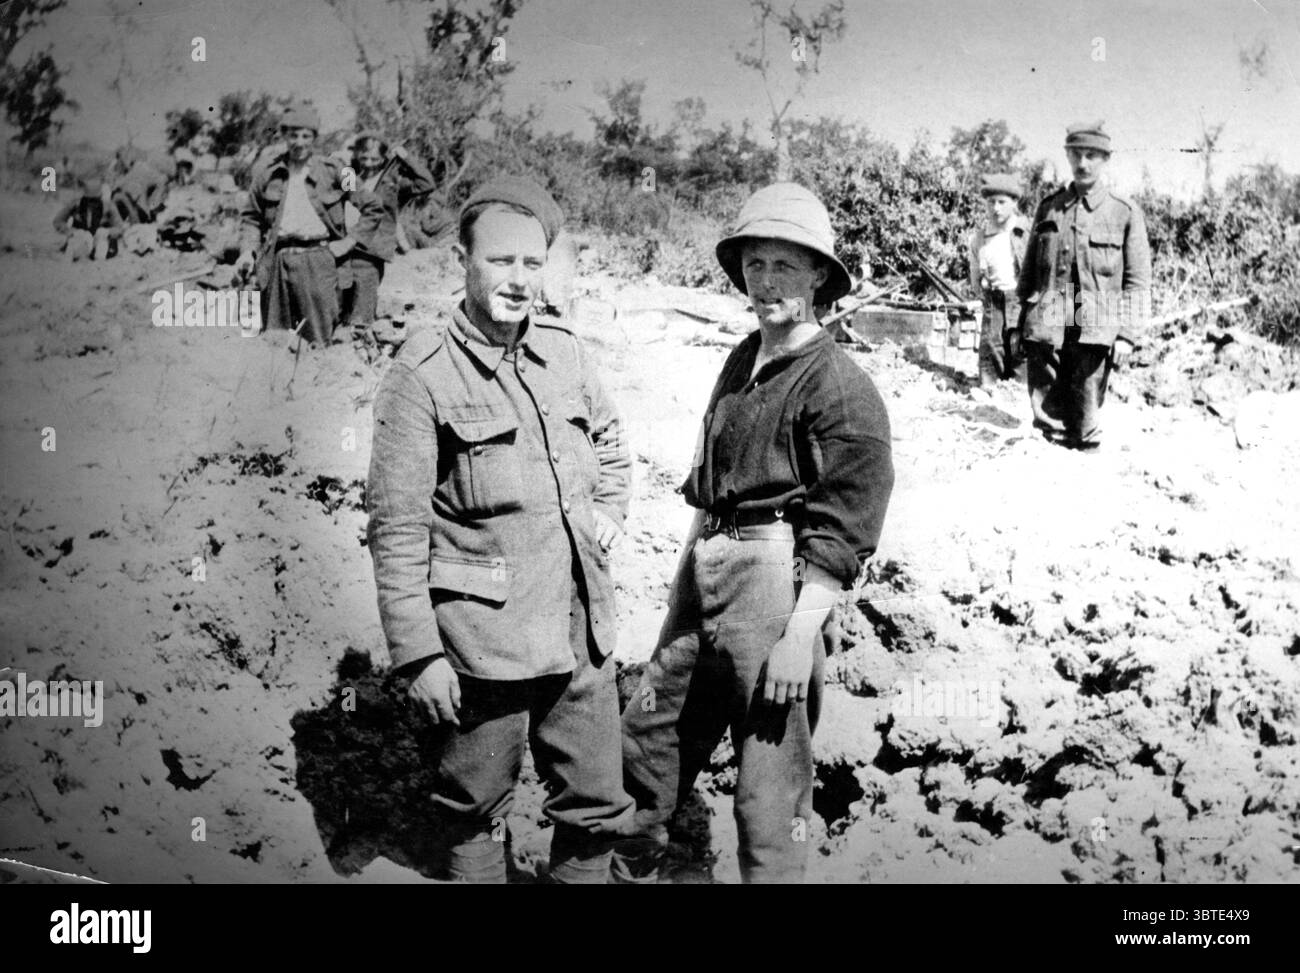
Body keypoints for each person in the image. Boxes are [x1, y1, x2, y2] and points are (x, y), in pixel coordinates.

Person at [614, 183, 895, 883]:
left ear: (820, 277)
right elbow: (712, 474)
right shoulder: (743, 357)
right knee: (649, 738)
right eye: (754, 264)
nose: (766, 283)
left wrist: (800, 638)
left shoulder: (841, 387)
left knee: (768, 788)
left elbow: (841, 528)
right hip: (703, 560)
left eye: (785, 266)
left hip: (774, 585)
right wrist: (689, 577)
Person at [366, 176, 635, 883]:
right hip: (481, 645)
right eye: (501, 261)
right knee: (471, 806)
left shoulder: (566, 352)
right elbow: (395, 529)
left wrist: (610, 512)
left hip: (580, 629)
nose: (519, 280)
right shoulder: (421, 374)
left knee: (597, 806)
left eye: (533, 263)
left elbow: (610, 441)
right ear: (463, 259)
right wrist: (419, 654)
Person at [1010, 122, 1152, 450]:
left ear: (1105, 159)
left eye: (1091, 155)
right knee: (1046, 391)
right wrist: (1020, 319)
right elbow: (1029, 270)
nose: (1083, 163)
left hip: (1096, 317)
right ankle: (1049, 445)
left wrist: (1128, 333)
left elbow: (1137, 280)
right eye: (1076, 154)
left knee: (1087, 395)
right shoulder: (1050, 207)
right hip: (1051, 311)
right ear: (1067, 156)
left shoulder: (1124, 212)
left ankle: (1085, 449)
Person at [236, 102, 382, 345]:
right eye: (293, 135)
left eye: (306, 136)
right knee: (275, 339)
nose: (299, 142)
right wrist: (246, 253)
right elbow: (251, 218)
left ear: (314, 138)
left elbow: (373, 206)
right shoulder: (267, 174)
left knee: (318, 337)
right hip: (278, 262)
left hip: (319, 261)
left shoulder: (336, 170)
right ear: (284, 136)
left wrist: (348, 242)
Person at [342, 132, 436, 331]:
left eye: (374, 159)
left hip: (372, 248)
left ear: (383, 158)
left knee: (363, 300)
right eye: (364, 158)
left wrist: (406, 157)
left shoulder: (393, 183)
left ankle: (361, 337)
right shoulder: (351, 177)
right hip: (347, 243)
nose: (369, 163)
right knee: (342, 297)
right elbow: (341, 199)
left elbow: (426, 183)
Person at [968, 173, 1030, 387]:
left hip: (1020, 297)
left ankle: (1020, 388)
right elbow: (975, 270)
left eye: (1002, 202)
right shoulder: (980, 237)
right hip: (993, 298)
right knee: (991, 342)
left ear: (1014, 203)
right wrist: (979, 288)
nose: (996, 208)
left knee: (1019, 343)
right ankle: (990, 385)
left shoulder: (1025, 232)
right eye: (991, 202)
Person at [52, 177, 121, 260]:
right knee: (74, 251)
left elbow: (120, 227)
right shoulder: (75, 204)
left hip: (101, 239)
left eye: (95, 200)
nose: (91, 204)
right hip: (80, 238)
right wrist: (70, 231)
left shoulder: (109, 206)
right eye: (88, 200)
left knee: (100, 253)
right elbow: (58, 221)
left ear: (100, 197)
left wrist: (107, 231)